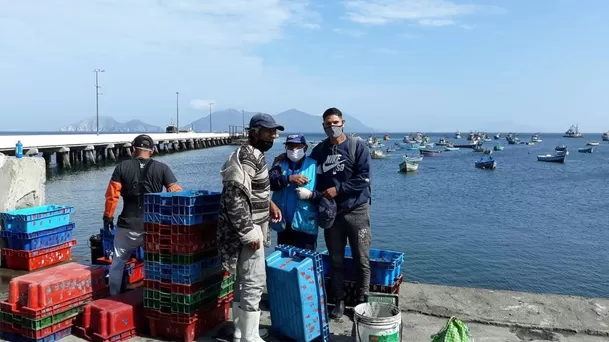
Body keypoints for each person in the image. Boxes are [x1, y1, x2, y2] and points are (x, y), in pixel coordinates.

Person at [217, 113, 284, 342]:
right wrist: (248, 231)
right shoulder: (248, 156)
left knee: (242, 280)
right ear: (255, 132)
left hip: (251, 226)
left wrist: (269, 203)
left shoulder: (254, 154)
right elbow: (234, 195)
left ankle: (240, 331)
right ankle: (250, 336)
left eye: (275, 131)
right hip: (249, 229)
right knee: (253, 282)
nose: (273, 135)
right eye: (268, 131)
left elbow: (252, 190)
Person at [309, 107, 372, 319]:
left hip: (357, 213)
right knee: (335, 260)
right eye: (327, 124)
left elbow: (364, 179)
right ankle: (339, 300)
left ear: (343, 123)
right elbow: (307, 171)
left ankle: (363, 302)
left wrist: (339, 189)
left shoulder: (357, 147)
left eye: (335, 123)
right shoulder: (320, 151)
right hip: (332, 215)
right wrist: (284, 161)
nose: (332, 127)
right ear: (323, 126)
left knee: (361, 260)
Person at [103, 134, 182, 296]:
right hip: (153, 225)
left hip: (127, 224)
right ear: (152, 151)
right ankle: (157, 295)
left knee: (118, 262)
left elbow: (112, 196)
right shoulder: (162, 168)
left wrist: (108, 217)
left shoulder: (121, 167)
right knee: (156, 263)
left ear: (133, 149)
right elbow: (177, 194)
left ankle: (114, 295)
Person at [269, 134, 318, 250]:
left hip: (306, 224)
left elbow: (325, 194)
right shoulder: (279, 164)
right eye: (290, 147)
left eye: (297, 146)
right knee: (283, 260)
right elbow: (269, 183)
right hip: (283, 223)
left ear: (305, 148)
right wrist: (288, 179)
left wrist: (312, 195)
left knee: (305, 260)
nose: (294, 150)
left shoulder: (314, 165)